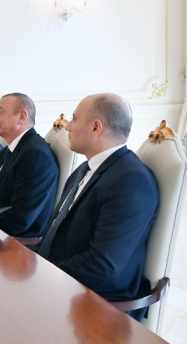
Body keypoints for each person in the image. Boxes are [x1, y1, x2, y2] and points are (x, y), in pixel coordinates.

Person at [36, 94, 158, 320]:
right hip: (63, 286)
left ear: (95, 127)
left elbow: (102, 266)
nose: (68, 126)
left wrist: (42, 275)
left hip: (95, 303)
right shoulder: (84, 170)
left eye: (74, 119)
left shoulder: (131, 181)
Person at [0, 93, 59, 238]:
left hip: (14, 244)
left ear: (22, 117)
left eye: (0, 112)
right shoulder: (5, 152)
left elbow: (19, 220)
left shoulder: (36, 155)